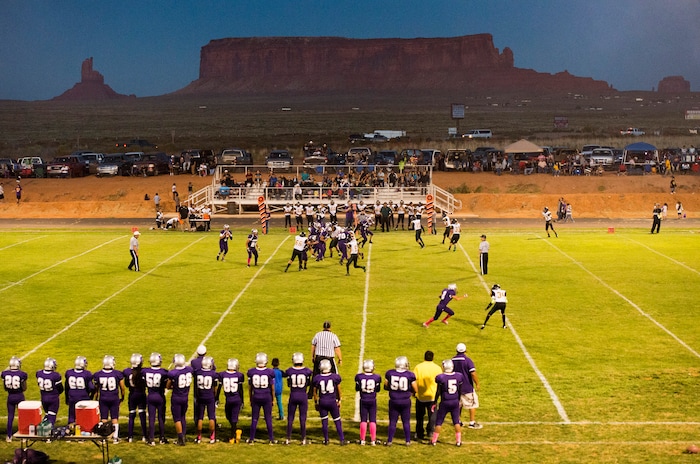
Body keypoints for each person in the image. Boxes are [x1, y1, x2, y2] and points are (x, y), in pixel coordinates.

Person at [430, 359, 465, 446]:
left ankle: (434, 441)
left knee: (439, 422)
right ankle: (458, 441)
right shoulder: (458, 376)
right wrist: (459, 400)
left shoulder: (441, 377)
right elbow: (460, 390)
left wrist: (435, 401)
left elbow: (438, 392)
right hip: (454, 401)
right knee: (456, 422)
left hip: (445, 402)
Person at [384, 356, 417, 446]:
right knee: (406, 421)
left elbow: (385, 386)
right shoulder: (410, 375)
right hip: (405, 401)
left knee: (393, 421)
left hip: (394, 400)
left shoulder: (390, 373)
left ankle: (390, 440)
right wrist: (410, 391)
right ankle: (407, 441)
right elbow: (415, 389)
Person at [313, 359, 346, 445]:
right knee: (337, 420)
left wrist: (316, 402)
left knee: (324, 421)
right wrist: (340, 400)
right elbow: (339, 389)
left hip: (323, 401)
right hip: (332, 401)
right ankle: (342, 439)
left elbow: (314, 392)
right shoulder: (335, 377)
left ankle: (326, 439)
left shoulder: (317, 378)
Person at [93, 355, 126, 444]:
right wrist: (122, 397)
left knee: (104, 419)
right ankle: (115, 438)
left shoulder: (98, 374)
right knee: (115, 418)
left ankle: (104, 438)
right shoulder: (117, 374)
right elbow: (122, 388)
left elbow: (96, 389)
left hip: (103, 398)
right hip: (114, 398)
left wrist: (96, 398)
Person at [283, 352, 312, 445]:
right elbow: (308, 383)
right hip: (303, 395)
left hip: (293, 394)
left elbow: (288, 384)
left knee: (290, 418)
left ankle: (288, 438)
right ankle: (303, 439)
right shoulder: (307, 371)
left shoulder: (289, 371)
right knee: (302, 418)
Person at [246, 352, 276, 444]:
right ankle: (271, 439)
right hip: (266, 396)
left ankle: (251, 439)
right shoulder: (270, 372)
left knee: (254, 418)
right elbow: (272, 387)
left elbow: (250, 388)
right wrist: (273, 399)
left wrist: (251, 398)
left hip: (256, 396)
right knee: (268, 418)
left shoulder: (251, 372)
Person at [412, 351, 441, 442]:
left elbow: (413, 380)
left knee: (419, 416)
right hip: (432, 396)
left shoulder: (418, 367)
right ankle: (430, 431)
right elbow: (440, 381)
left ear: (424, 357)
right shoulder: (437, 368)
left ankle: (419, 432)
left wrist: (414, 392)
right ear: (433, 358)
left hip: (420, 396)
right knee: (432, 415)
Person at [451, 343, 481, 430]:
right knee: (472, 404)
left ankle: (458, 421)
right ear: (465, 350)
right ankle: (471, 422)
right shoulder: (467, 360)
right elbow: (473, 373)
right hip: (467, 386)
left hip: (456, 387)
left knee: (458, 405)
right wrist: (477, 383)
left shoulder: (452, 360)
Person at [166, 353, 193, 446]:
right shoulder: (189, 370)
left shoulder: (173, 373)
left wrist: (174, 385)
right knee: (182, 417)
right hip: (185, 397)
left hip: (177, 398)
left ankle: (180, 439)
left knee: (177, 418)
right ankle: (184, 436)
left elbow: (168, 386)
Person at [142, 353, 168, 446]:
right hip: (160, 396)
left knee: (151, 418)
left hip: (150, 396)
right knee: (161, 418)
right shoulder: (164, 372)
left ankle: (151, 439)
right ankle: (161, 438)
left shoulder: (145, 371)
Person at [217, 358, 245, 443]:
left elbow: (219, 387)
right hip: (236, 399)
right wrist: (242, 400)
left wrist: (216, 397)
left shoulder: (222, 374)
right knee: (230, 417)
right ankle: (236, 431)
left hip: (229, 399)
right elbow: (240, 389)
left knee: (232, 418)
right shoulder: (239, 375)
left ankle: (232, 437)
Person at [355, 359, 381, 445]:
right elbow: (378, 390)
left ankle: (362, 440)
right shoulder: (376, 377)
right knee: (372, 420)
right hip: (372, 400)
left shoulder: (359, 377)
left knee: (363, 420)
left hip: (363, 400)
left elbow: (357, 389)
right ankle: (373, 440)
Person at [193, 356, 218, 444]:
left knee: (200, 417)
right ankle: (212, 437)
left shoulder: (197, 372)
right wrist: (215, 396)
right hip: (209, 396)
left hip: (201, 396)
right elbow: (215, 388)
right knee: (211, 417)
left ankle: (199, 437)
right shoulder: (213, 374)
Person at [123, 354, 147, 443]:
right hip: (141, 394)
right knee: (142, 415)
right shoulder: (143, 372)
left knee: (131, 416)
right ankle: (144, 436)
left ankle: (130, 437)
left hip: (132, 395)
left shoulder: (127, 371)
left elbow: (126, 384)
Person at [64, 356, 94, 427]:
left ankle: (71, 431)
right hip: (83, 397)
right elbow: (91, 388)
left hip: (72, 396)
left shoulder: (69, 372)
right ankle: (84, 430)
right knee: (84, 415)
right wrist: (91, 396)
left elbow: (66, 387)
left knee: (72, 415)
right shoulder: (87, 374)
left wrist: (67, 398)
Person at [3, 356, 27, 442]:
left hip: (10, 396)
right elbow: (24, 388)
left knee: (10, 416)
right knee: (22, 416)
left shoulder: (4, 374)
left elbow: (5, 387)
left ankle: (9, 436)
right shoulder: (22, 374)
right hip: (19, 396)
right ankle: (24, 436)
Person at [36, 358, 63, 426]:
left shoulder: (39, 373)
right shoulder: (56, 375)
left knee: (47, 415)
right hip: (53, 398)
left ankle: (42, 430)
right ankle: (48, 434)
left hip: (43, 398)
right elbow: (61, 389)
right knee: (52, 417)